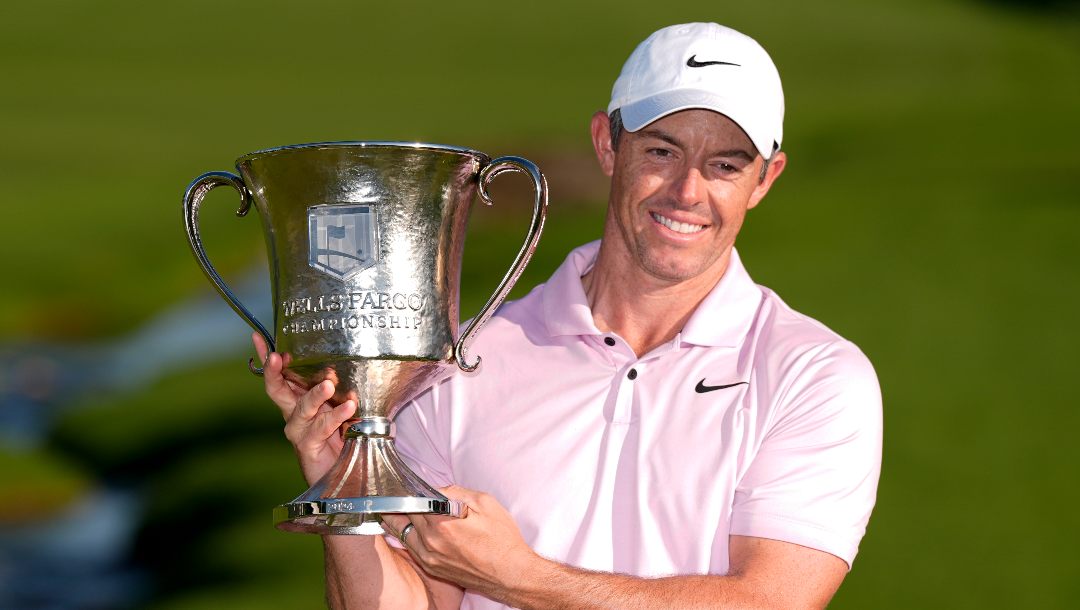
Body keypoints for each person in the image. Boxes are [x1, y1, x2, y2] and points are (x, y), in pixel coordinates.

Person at [255, 22, 882, 609]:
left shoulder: (813, 376)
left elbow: (770, 600)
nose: (688, 192)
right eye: (662, 151)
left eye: (725, 165)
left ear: (765, 179)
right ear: (608, 145)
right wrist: (342, 489)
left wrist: (517, 577)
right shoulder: (456, 364)